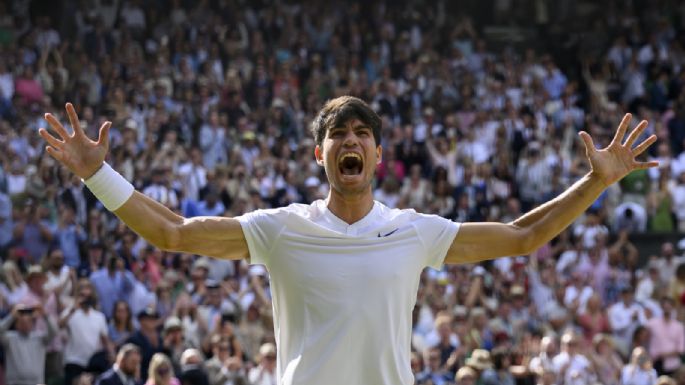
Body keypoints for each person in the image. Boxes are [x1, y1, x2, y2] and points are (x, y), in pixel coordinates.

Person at [39, 99, 658, 385]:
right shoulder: (281, 228)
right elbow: (171, 233)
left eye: (362, 133)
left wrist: (594, 181)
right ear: (321, 153)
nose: (350, 141)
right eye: (338, 134)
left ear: (379, 154)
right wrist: (98, 172)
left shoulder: (415, 230)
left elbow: (524, 236)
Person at [0, 304, 57, 385]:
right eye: (22, 322)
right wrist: (12, 316)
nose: (25, 324)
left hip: (36, 382)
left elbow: (54, 331)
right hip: (14, 382)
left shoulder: (40, 338)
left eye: (28, 321)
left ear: (32, 323)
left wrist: (45, 315)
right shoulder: (10, 338)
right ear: (16, 324)